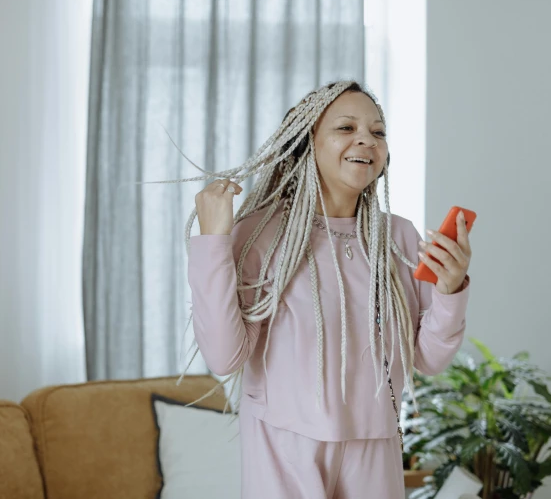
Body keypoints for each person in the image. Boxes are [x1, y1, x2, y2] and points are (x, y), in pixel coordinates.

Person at [185, 81, 471, 498]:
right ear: (307, 144)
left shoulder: (399, 237)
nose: (366, 140)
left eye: (377, 131)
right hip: (281, 443)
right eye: (346, 127)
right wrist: (213, 240)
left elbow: (426, 359)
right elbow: (224, 355)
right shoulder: (258, 234)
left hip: (375, 443)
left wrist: (450, 290)